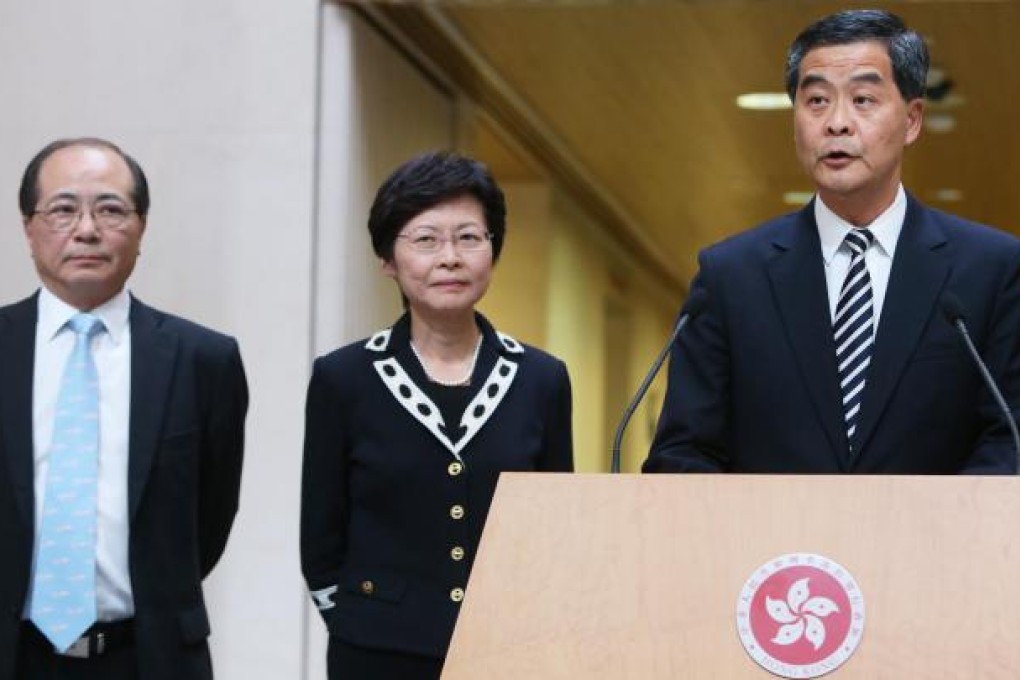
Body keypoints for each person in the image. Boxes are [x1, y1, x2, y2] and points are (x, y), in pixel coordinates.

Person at [643, 9, 1020, 475]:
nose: (837, 123)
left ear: (912, 120)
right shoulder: (731, 276)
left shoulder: (991, 270)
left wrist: (936, 530)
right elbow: (682, 453)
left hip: (934, 541)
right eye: (817, 101)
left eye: (863, 100)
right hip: (770, 545)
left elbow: (1009, 440)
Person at [301, 151, 573, 678]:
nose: (449, 257)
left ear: (493, 250)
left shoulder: (541, 378)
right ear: (388, 259)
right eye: (425, 240)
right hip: (376, 652)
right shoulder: (345, 377)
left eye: (470, 237)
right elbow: (321, 537)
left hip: (508, 649)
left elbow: (554, 529)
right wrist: (358, 623)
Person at [0, 138, 248, 679]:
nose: (86, 229)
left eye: (110, 209)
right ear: (28, 227)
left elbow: (210, 518)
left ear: (141, 227)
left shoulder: (204, 360)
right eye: (63, 209)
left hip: (148, 656)